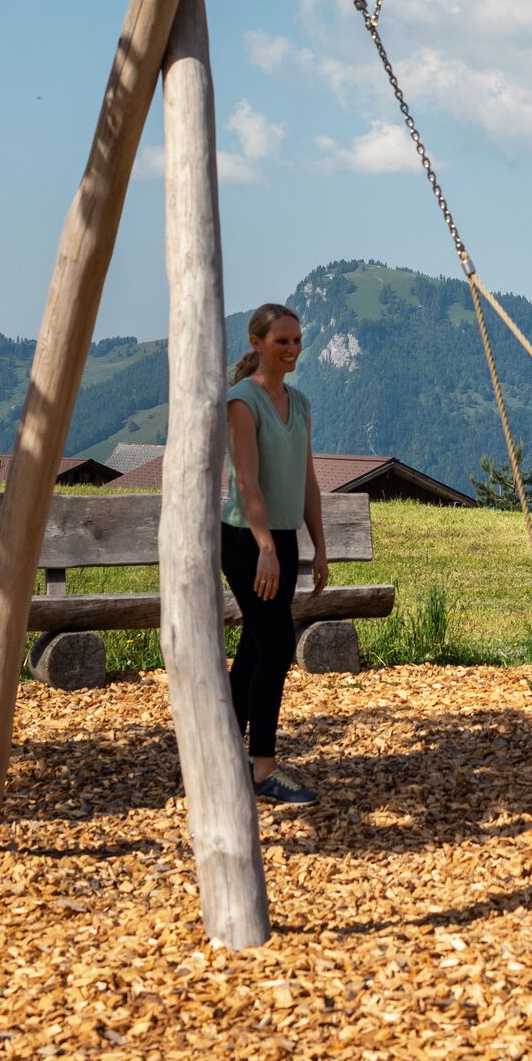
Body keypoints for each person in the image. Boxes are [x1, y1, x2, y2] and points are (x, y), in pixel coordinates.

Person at [222, 302, 327, 807]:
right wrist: (265, 548)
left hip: (282, 540)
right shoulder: (243, 401)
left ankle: (224, 753)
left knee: (256, 648)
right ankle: (263, 768)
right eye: (281, 340)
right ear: (257, 342)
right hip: (246, 540)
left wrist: (319, 548)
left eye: (296, 340)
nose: (291, 349)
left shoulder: (300, 403)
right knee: (279, 645)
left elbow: (306, 480)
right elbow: (247, 482)